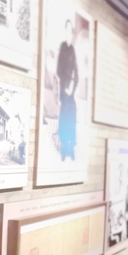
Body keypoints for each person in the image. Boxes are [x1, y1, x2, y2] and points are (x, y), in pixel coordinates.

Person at [56, 19, 79, 161]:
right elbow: (59, 70)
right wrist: (64, 88)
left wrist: (73, 87)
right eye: (67, 30)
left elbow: (77, 72)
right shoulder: (63, 47)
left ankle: (71, 145)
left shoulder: (73, 50)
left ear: (72, 33)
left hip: (71, 89)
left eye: (70, 31)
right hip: (63, 88)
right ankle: (64, 146)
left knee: (73, 112)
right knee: (65, 113)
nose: (68, 33)